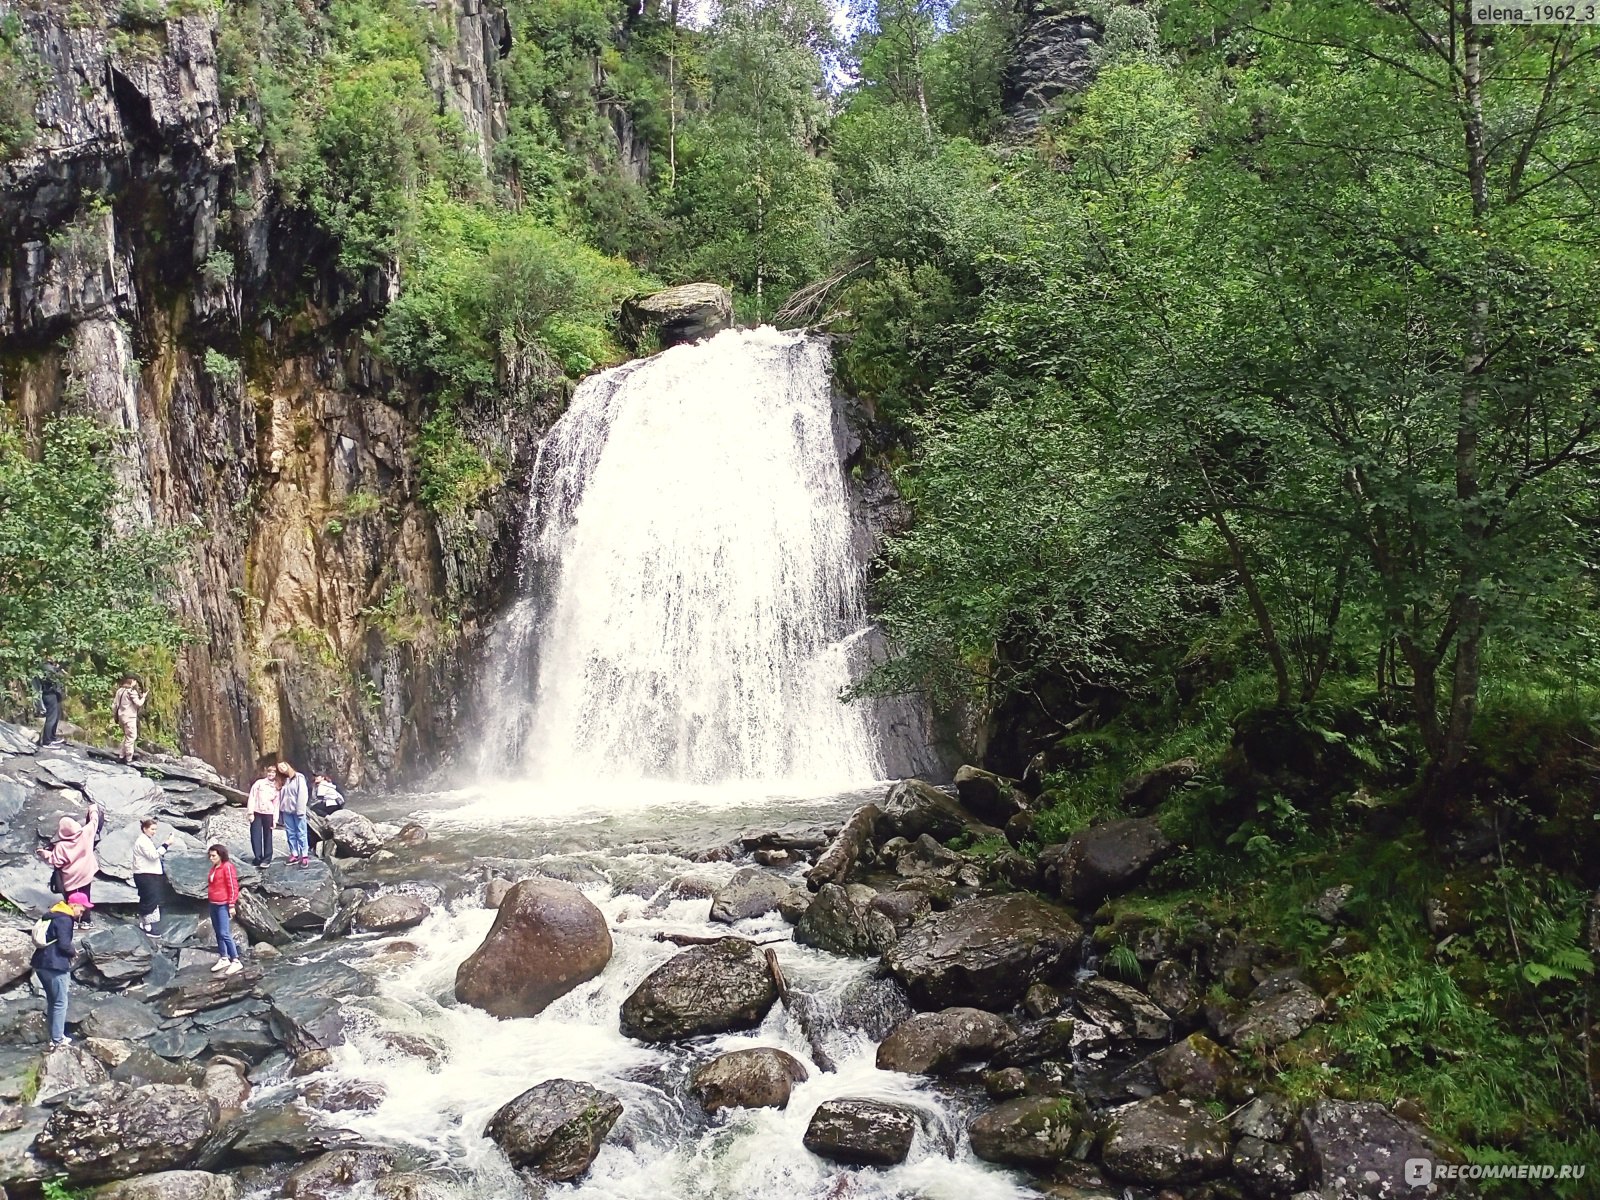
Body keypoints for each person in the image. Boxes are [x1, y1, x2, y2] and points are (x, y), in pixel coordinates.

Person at [32, 891, 89, 1048]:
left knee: (52, 1001)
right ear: (74, 905)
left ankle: (53, 1037)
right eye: (82, 909)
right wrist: (73, 952)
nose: (82, 913)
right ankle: (58, 1039)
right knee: (60, 1002)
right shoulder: (65, 919)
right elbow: (64, 944)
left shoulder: (52, 914)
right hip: (55, 965)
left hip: (40, 963)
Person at [36, 803, 100, 926]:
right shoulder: (86, 833)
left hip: (71, 878)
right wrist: (93, 809)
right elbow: (94, 821)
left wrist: (43, 853)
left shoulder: (61, 846)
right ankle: (86, 920)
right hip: (86, 873)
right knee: (85, 897)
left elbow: (56, 861)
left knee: (72, 900)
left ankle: (73, 921)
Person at [206, 844, 243, 975]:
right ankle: (224, 957)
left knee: (224, 933)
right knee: (218, 932)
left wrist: (231, 905)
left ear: (221, 855)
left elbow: (233, 886)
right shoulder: (214, 868)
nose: (211, 858)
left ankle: (236, 960)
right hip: (213, 903)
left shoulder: (227, 867)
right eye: (210, 855)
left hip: (223, 904)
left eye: (214, 856)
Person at [132, 817, 172, 932]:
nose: (154, 832)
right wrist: (166, 844)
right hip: (146, 875)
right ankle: (148, 926)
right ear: (145, 829)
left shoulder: (145, 840)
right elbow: (153, 855)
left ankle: (144, 923)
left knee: (148, 898)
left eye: (155, 829)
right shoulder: (143, 841)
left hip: (147, 874)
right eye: (152, 829)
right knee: (151, 899)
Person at [276, 760, 310, 865]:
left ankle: (304, 854)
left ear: (288, 765)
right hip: (286, 810)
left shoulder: (299, 777)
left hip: (297, 810)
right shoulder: (283, 780)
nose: (282, 768)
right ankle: (294, 853)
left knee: (301, 832)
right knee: (290, 833)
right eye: (279, 768)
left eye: (283, 766)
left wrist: (300, 810)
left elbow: (302, 794)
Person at [246, 762, 280, 867]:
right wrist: (250, 812)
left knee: (268, 835)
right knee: (255, 834)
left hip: (269, 812)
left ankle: (267, 858)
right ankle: (257, 857)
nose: (271, 774)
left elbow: (276, 804)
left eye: (273, 772)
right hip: (257, 811)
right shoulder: (259, 783)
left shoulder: (277, 787)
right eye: (269, 772)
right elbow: (252, 797)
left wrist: (275, 820)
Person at [112, 675, 149, 765]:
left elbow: (114, 705)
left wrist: (115, 715)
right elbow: (138, 703)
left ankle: (121, 756)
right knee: (132, 737)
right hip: (130, 718)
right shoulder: (131, 692)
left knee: (126, 736)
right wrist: (143, 697)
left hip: (121, 717)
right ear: (132, 681)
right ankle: (129, 759)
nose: (136, 683)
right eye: (135, 681)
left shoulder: (119, 691)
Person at [35, 663, 64, 748]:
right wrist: (58, 670)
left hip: (55, 694)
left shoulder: (52, 667)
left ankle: (52, 737)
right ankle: (46, 741)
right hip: (49, 694)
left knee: (57, 716)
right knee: (51, 718)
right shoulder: (46, 667)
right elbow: (53, 678)